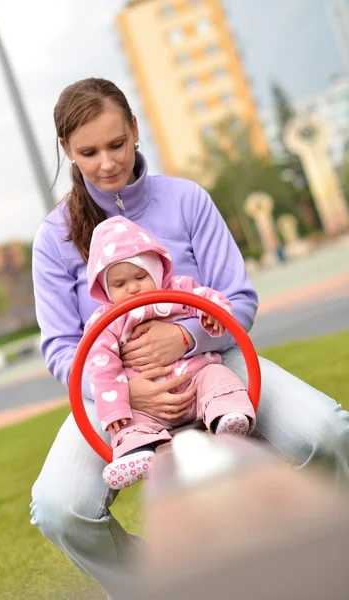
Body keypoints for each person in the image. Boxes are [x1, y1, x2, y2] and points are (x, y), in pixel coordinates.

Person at [30, 77, 349, 599]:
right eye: (88, 152)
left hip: (214, 362)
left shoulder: (186, 200)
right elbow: (62, 350)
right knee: (59, 509)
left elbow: (237, 300)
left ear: (135, 130)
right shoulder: (55, 235)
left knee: (330, 432)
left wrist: (183, 337)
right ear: (67, 152)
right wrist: (127, 392)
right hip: (116, 393)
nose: (107, 162)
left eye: (116, 144)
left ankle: (323, 553)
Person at [84, 215, 256, 489]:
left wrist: (215, 316)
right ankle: (137, 453)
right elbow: (100, 366)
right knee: (128, 424)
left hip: (195, 379)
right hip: (145, 401)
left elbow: (210, 299)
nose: (132, 288)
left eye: (140, 276)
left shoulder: (179, 289)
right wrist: (115, 406)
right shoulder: (105, 321)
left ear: (156, 269)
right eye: (119, 284)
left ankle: (226, 415)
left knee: (218, 376)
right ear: (105, 288)